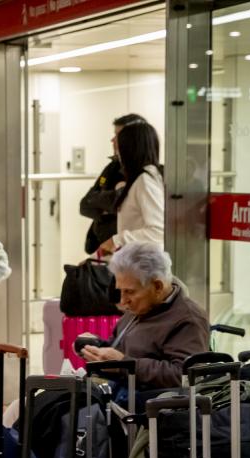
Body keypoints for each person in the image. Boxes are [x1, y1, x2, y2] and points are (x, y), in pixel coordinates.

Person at [79, 242, 209, 391]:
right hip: (119, 392)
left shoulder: (188, 319)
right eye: (120, 291)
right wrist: (95, 347)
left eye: (130, 292)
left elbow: (183, 375)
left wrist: (125, 364)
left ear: (157, 286)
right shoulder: (141, 307)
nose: (123, 301)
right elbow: (119, 347)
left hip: (149, 400)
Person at [79, 113, 146, 255]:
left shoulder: (146, 175)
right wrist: (115, 201)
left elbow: (136, 214)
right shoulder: (113, 168)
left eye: (117, 135)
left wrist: (106, 204)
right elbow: (85, 205)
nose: (112, 140)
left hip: (127, 250)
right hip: (103, 247)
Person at [98, 121, 164, 254]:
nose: (118, 153)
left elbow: (158, 231)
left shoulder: (145, 180)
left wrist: (117, 240)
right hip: (132, 259)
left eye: (120, 147)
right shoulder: (143, 177)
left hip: (143, 262)